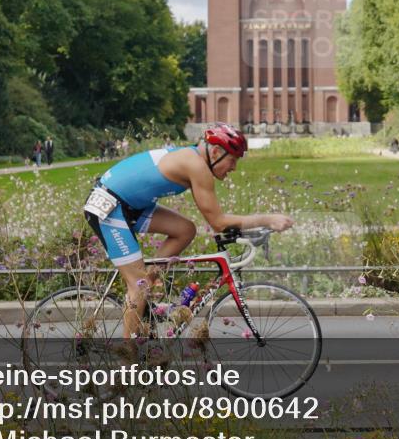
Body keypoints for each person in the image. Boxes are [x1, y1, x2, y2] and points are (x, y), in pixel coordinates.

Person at [83, 123, 294, 339]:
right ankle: (128, 364)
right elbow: (218, 222)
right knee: (138, 286)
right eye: (233, 160)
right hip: (110, 208)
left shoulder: (193, 157)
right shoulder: (196, 165)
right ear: (215, 152)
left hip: (130, 205)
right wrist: (267, 219)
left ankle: (146, 292)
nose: (234, 168)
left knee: (185, 230)